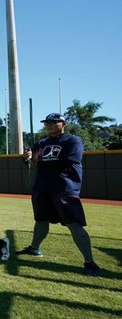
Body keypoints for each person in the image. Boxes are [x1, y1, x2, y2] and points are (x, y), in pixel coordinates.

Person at [19, 113, 100, 276]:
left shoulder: (72, 141)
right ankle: (34, 248)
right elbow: (33, 163)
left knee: (73, 224)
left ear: (63, 124)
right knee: (41, 220)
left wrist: (40, 161)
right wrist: (27, 158)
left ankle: (90, 262)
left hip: (64, 188)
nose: (49, 125)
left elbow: (69, 161)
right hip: (42, 188)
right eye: (47, 122)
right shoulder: (41, 143)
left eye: (53, 122)